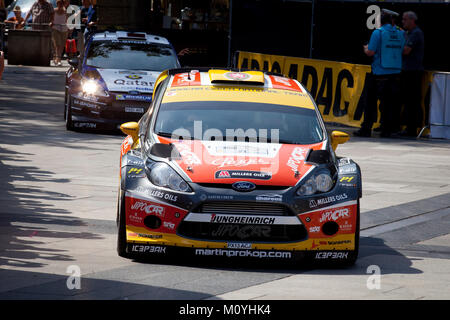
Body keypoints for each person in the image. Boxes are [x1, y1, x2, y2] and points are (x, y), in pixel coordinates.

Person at [354, 9, 405, 138]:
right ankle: (386, 130)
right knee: (388, 105)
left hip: (379, 73)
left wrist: (366, 48)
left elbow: (370, 52)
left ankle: (366, 129)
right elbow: (403, 50)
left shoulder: (378, 33)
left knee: (370, 103)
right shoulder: (401, 33)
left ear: (380, 22)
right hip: (395, 73)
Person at [399, 11, 425, 137]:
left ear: (412, 20)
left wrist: (393, 46)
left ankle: (412, 129)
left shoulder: (416, 33)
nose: (402, 22)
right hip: (406, 70)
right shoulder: (407, 33)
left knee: (412, 101)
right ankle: (407, 127)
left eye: (405, 19)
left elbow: (406, 51)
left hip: (413, 72)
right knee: (407, 101)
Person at [50, 0, 67, 66]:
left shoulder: (66, 11)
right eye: (58, 3)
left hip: (64, 29)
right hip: (55, 29)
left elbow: (68, 20)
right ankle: (58, 60)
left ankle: (56, 58)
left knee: (62, 45)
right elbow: (51, 19)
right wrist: (51, 22)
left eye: (60, 3)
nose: (59, 5)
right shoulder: (54, 11)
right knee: (57, 45)